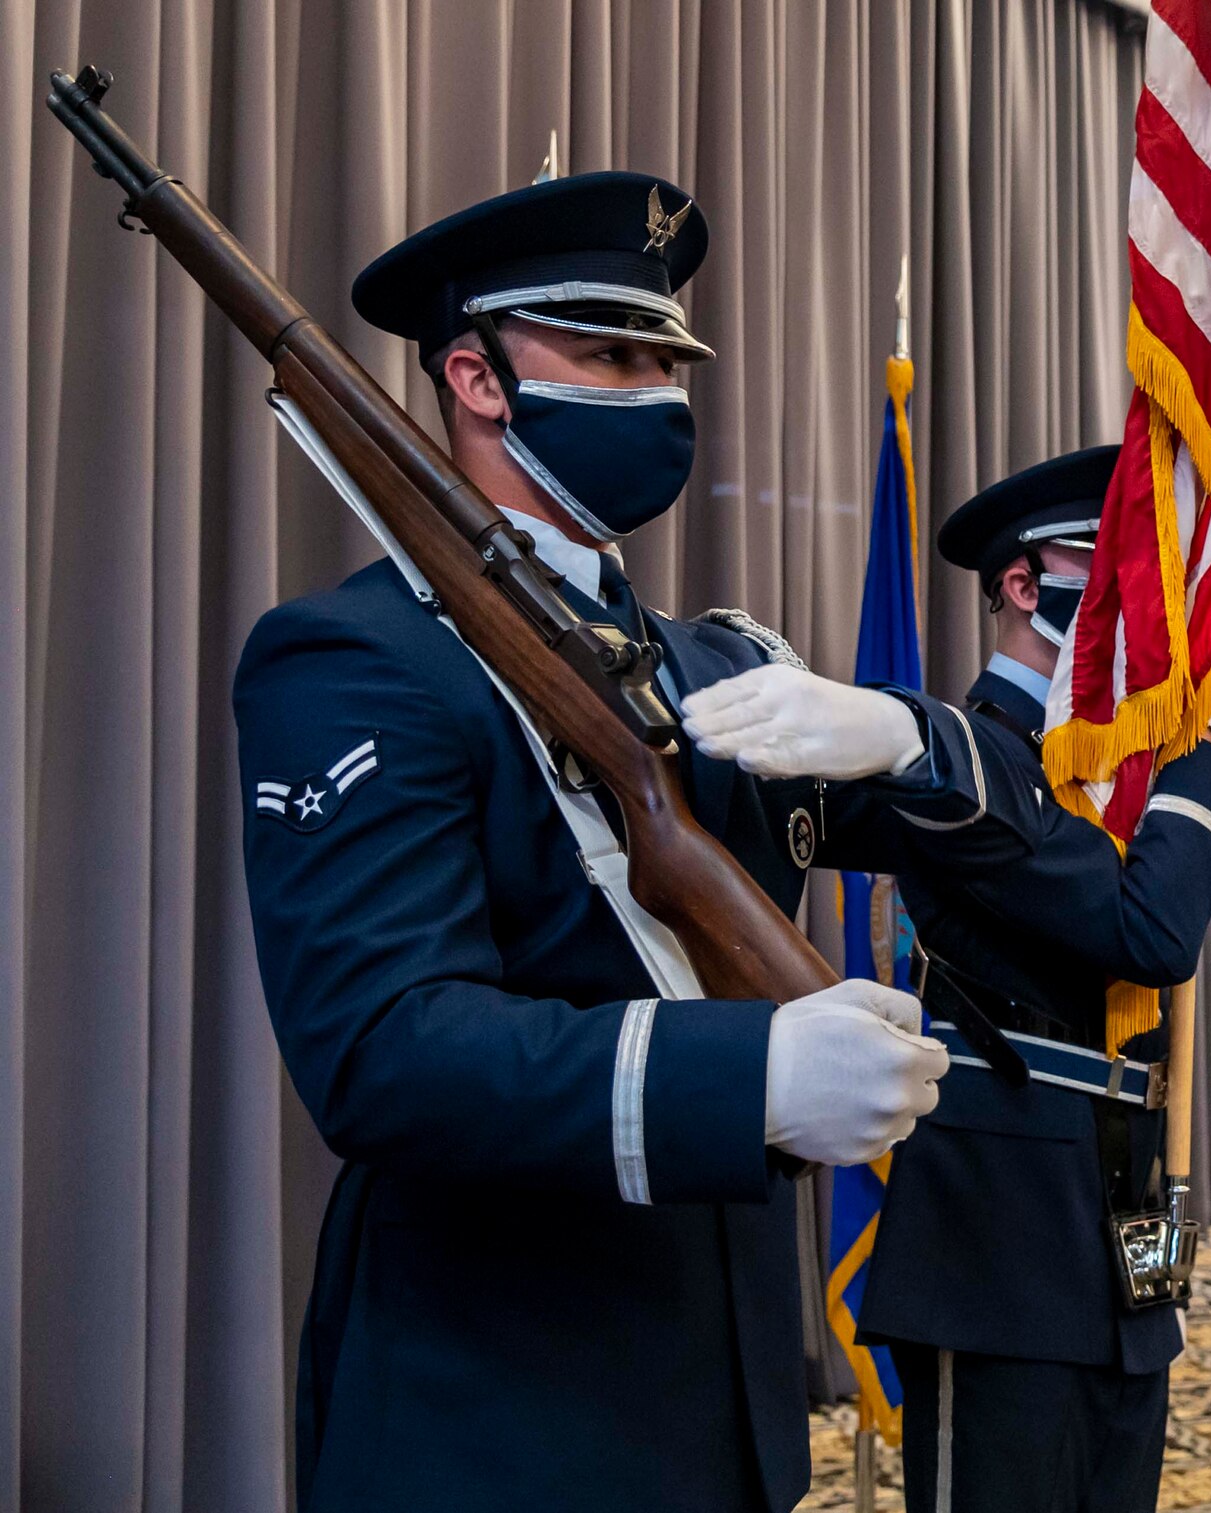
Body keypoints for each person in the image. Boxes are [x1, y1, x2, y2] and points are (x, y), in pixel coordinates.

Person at [236, 171, 1039, 1512]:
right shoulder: (355, 658)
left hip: (722, 1395)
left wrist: (913, 737)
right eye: (611, 353)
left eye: (669, 357)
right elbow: (383, 1051)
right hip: (500, 1408)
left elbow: (1018, 843)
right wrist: (750, 1074)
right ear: (478, 379)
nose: (659, 392)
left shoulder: (724, 667)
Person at [687, 445, 1211, 1513]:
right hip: (1002, 1239)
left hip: (1129, 1212)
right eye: (1120, 569)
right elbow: (1147, 932)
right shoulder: (961, 753)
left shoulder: (1111, 770)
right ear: (1021, 582)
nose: (1156, 605)